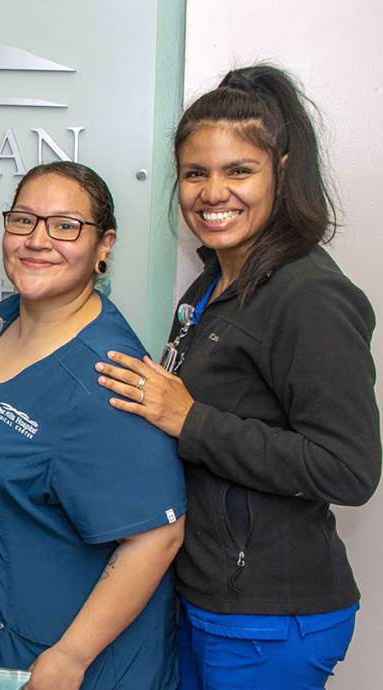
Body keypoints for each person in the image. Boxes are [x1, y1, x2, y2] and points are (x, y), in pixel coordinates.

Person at [95, 65, 380, 689]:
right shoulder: (210, 284)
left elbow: (349, 468)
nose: (212, 192)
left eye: (239, 171)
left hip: (269, 617)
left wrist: (190, 420)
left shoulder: (310, 296)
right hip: (205, 595)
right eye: (195, 173)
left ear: (281, 171)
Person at [0, 162, 187, 690]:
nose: (37, 239)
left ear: (103, 246)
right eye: (23, 220)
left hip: (69, 671)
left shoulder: (108, 376)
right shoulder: (2, 321)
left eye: (65, 226)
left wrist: (70, 658)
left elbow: (159, 535)